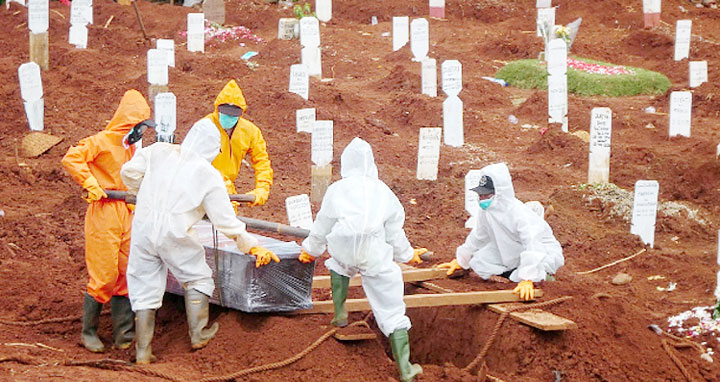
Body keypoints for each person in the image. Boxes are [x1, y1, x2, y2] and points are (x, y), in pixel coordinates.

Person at [120, 122, 279, 364]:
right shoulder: (208, 174)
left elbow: (128, 173)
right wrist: (251, 245)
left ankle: (142, 351)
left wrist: (146, 192)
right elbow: (225, 220)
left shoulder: (159, 151)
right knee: (197, 277)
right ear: (214, 151)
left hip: (143, 225)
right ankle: (198, 334)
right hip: (175, 231)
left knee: (144, 283)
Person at [297, 138, 427, 382]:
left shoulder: (337, 188)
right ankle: (406, 369)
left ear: (346, 164)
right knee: (390, 306)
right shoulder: (383, 191)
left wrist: (310, 250)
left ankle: (340, 314)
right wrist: (409, 255)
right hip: (373, 250)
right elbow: (394, 232)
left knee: (338, 265)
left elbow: (323, 223)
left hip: (343, 245)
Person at [61, 89, 153, 353]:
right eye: (139, 125)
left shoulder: (133, 147)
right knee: (104, 275)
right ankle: (88, 332)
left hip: (128, 210)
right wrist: (90, 183)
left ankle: (123, 334)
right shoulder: (101, 141)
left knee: (126, 272)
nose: (141, 131)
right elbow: (72, 158)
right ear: (128, 122)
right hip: (104, 211)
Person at [437, 162, 564, 301]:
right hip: (510, 248)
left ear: (499, 193)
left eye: (487, 195)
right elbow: (478, 237)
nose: (482, 199)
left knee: (538, 265)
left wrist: (528, 278)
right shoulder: (487, 212)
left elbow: (533, 245)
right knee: (480, 261)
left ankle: (543, 276)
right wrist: (461, 260)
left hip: (541, 251)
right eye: (481, 195)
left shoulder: (519, 214)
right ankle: (512, 273)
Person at [190, 79, 273, 209]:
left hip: (226, 191)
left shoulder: (250, 131)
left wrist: (262, 188)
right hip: (201, 188)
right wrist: (225, 187)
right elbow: (194, 162)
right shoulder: (205, 128)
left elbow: (262, 161)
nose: (228, 118)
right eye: (225, 114)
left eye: (233, 115)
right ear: (217, 109)